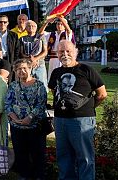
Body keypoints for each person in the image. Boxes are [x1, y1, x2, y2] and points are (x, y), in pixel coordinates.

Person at [48, 40, 107, 180]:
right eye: (61, 51)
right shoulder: (56, 72)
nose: (65, 54)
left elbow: (102, 94)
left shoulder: (86, 70)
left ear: (75, 52)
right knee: (64, 157)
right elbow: (53, 91)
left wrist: (87, 108)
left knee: (85, 157)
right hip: (60, 120)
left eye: (68, 51)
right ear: (57, 54)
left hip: (82, 121)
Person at [5, 59, 47, 180]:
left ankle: (38, 176)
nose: (21, 71)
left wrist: (30, 117)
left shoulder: (39, 85)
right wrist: (13, 117)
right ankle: (24, 175)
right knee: (20, 153)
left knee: (37, 153)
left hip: (35, 126)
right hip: (17, 126)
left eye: (24, 68)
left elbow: (41, 104)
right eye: (18, 69)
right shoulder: (13, 85)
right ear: (15, 71)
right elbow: (7, 103)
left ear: (30, 69)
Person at [40, 16, 75, 82]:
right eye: (58, 24)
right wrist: (47, 22)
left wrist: (61, 18)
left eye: (61, 24)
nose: (59, 25)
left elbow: (69, 30)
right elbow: (40, 33)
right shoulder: (51, 34)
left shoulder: (66, 34)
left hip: (63, 58)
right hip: (53, 58)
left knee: (63, 76)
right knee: (52, 76)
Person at [17, 20, 48, 88]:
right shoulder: (22, 39)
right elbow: (21, 53)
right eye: (28, 26)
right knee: (27, 84)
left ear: (36, 28)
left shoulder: (41, 37)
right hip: (27, 65)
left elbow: (45, 52)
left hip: (39, 64)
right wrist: (30, 60)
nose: (31, 27)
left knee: (41, 84)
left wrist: (35, 59)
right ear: (25, 28)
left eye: (33, 26)